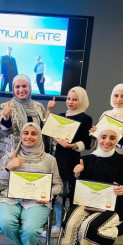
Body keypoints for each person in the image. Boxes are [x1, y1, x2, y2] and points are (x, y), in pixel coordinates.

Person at [0, 123, 62, 245]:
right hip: (9, 199)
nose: (29, 137)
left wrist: (50, 193)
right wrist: (8, 168)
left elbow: (59, 185)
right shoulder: (8, 157)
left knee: (31, 230)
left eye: (33, 133)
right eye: (26, 133)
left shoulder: (49, 159)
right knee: (5, 224)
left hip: (37, 202)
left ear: (39, 137)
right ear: (21, 136)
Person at [43, 87, 93, 237]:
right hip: (55, 158)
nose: (70, 102)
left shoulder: (85, 118)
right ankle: (59, 224)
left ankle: (68, 226)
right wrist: (48, 110)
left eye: (75, 99)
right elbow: (47, 130)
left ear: (82, 101)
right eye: (69, 98)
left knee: (67, 193)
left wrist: (70, 145)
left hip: (70, 160)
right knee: (55, 194)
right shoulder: (62, 115)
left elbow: (87, 143)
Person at [90, 83, 123, 168]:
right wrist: (94, 134)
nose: (118, 99)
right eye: (116, 95)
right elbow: (97, 144)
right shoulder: (106, 114)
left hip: (121, 163)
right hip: (101, 160)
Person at [0, 74, 47, 163]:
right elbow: (4, 131)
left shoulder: (39, 106)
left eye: (24, 86)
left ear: (29, 87)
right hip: (12, 155)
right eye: (17, 87)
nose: (21, 90)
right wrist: (6, 118)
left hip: (35, 154)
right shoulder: (5, 106)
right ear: (13, 89)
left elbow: (43, 131)